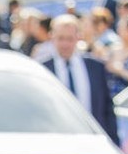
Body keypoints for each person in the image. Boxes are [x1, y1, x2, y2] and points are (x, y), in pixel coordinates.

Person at [43, 14, 119, 145]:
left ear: (78, 37)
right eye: (60, 38)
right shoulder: (43, 70)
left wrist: (114, 142)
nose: (65, 44)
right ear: (52, 37)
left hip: (94, 141)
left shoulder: (95, 67)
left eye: (70, 39)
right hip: (56, 142)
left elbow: (107, 108)